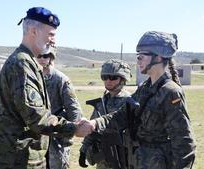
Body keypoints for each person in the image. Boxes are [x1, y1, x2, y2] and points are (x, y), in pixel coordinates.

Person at [78, 31, 196, 169]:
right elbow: (121, 115)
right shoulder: (145, 88)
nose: (138, 60)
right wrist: (94, 124)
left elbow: (184, 143)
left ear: (158, 57)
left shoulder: (170, 92)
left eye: (142, 56)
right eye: (137, 56)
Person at [0, 7, 83, 169]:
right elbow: (37, 118)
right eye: (50, 34)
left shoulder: (28, 62)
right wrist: (73, 128)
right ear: (33, 31)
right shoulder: (22, 64)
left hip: (21, 157)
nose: (53, 41)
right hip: (16, 160)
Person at [78, 59, 131, 169]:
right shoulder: (102, 101)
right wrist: (83, 150)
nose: (108, 81)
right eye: (105, 77)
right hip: (102, 159)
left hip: (124, 159)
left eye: (113, 77)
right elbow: (92, 129)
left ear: (123, 79)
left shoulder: (129, 102)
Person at [36, 48, 83, 169]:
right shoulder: (32, 78)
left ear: (51, 58)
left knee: (57, 165)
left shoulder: (60, 79)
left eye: (45, 56)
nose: (41, 59)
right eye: (39, 56)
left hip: (56, 133)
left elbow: (73, 109)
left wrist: (72, 130)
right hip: (36, 133)